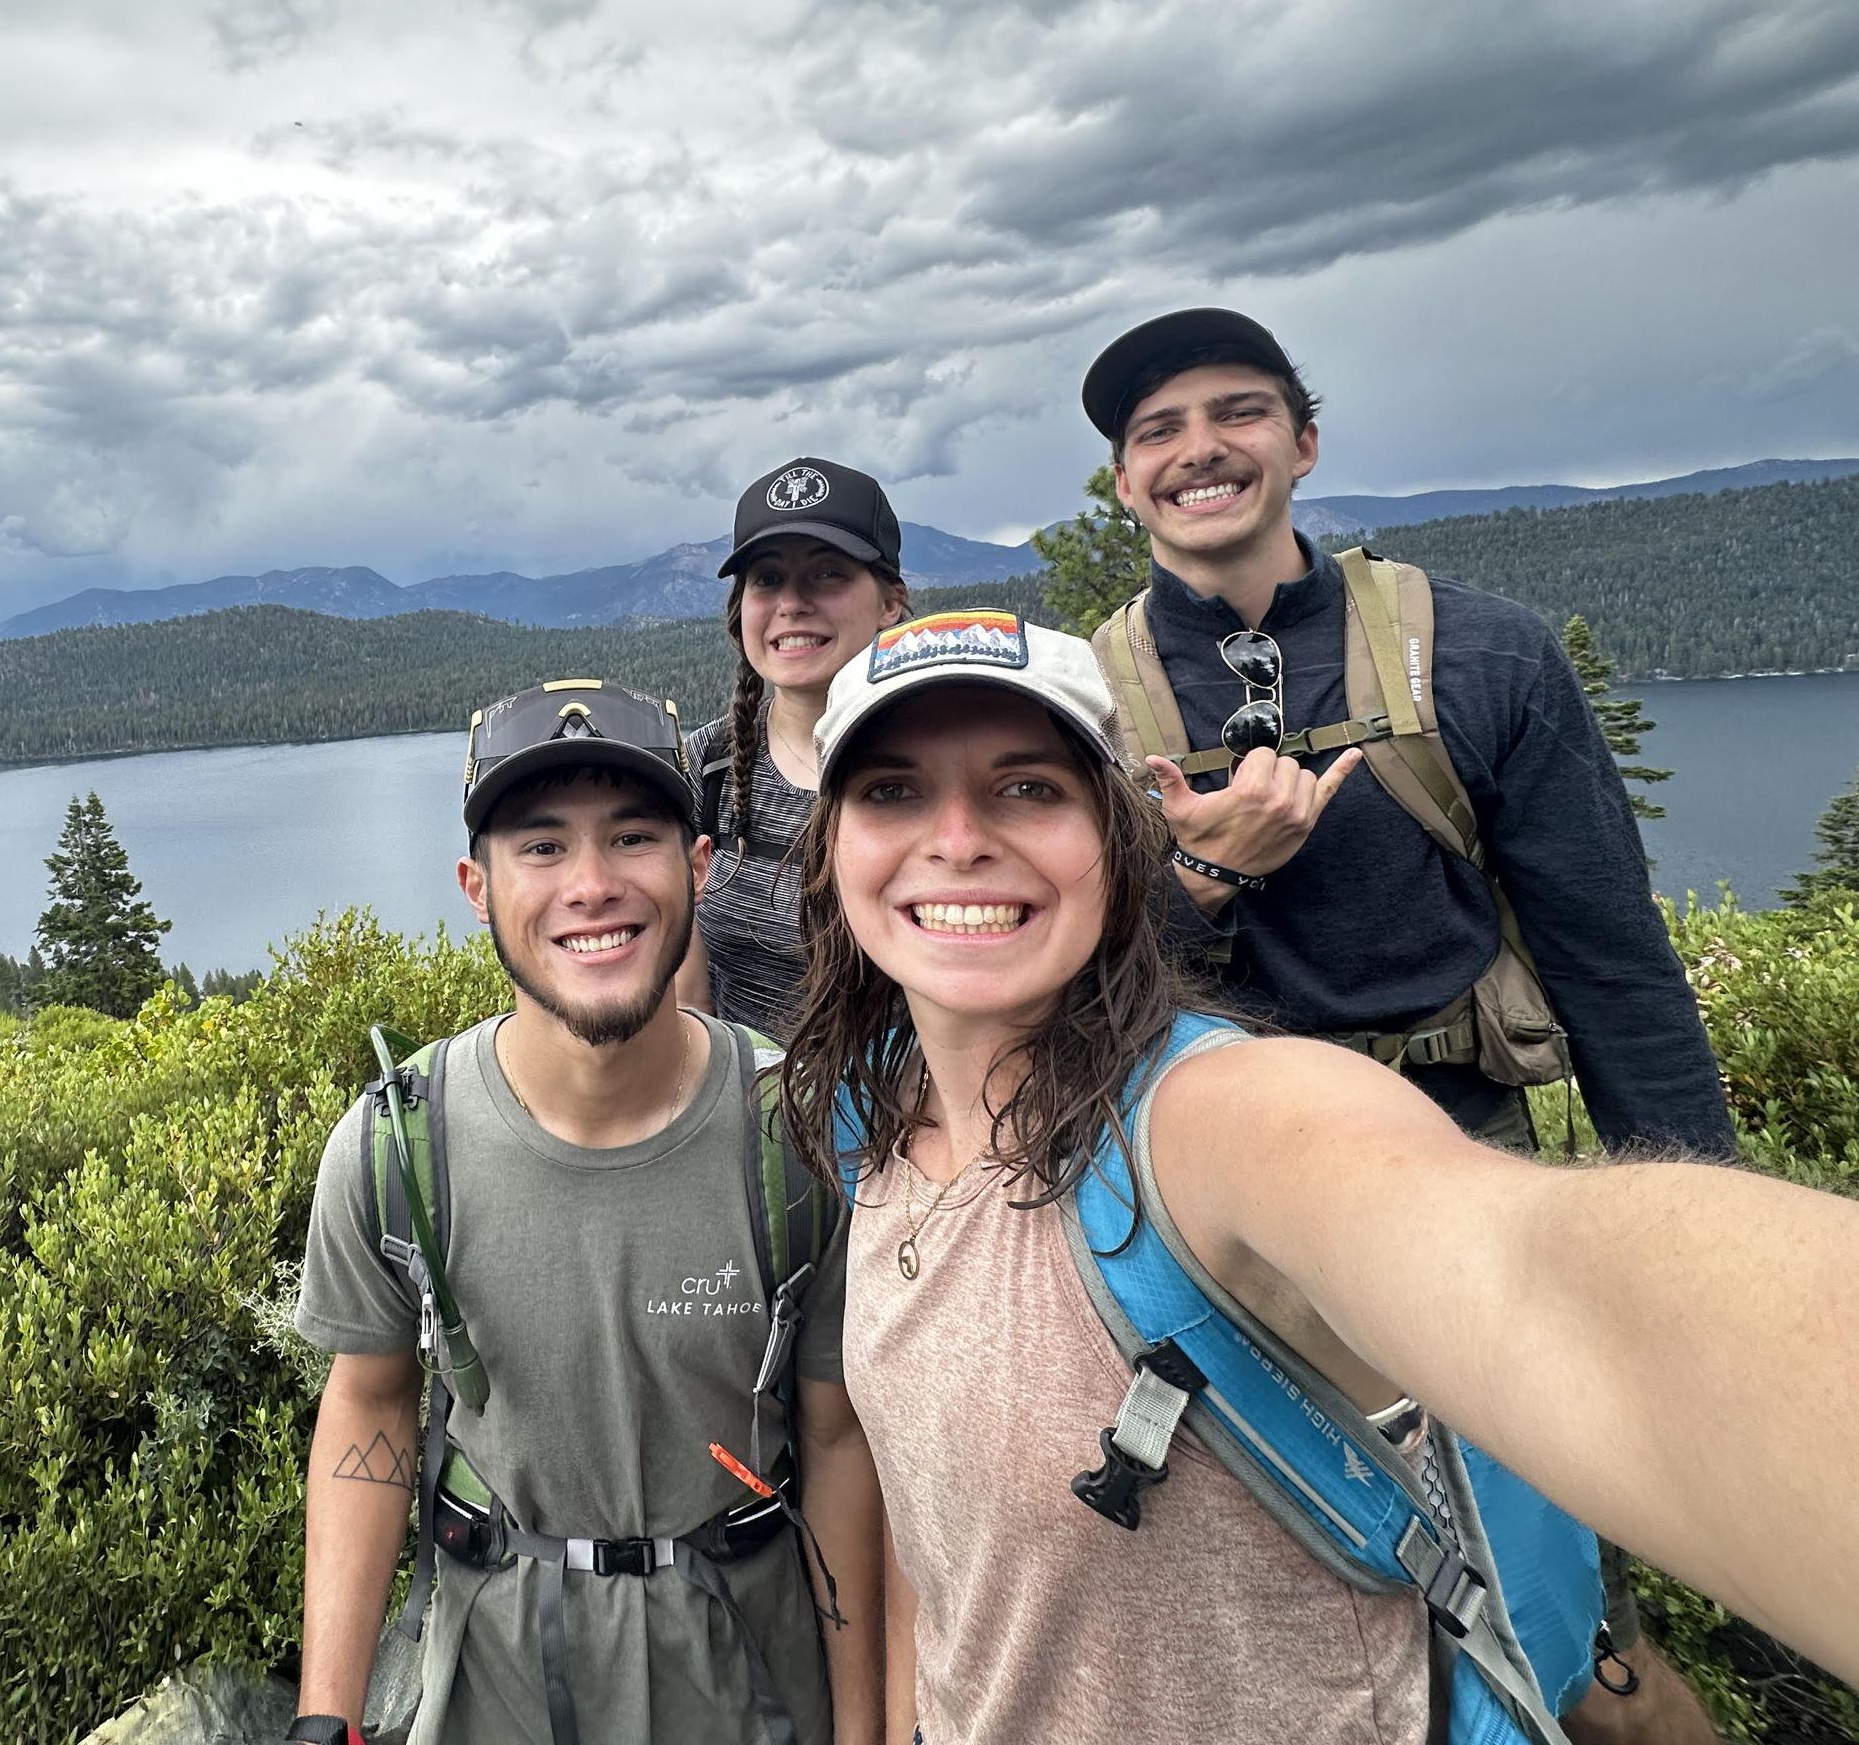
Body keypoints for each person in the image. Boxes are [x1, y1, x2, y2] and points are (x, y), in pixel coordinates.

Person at [779, 613, 1859, 1745]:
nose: (955, 837)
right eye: (893, 791)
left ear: (1116, 835)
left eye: (1027, 788)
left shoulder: (1216, 1124)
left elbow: (1542, 1278)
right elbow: (941, 1541)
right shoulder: (877, 1122)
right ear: (834, 848)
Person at [1077, 307, 1735, 1731]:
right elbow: (1071, 993)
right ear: (1123, 485)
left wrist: (1701, 1243)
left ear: (1301, 443)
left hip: (1459, 1164)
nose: (1200, 449)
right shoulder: (1083, 707)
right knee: (1280, 1575)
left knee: (1548, 1589)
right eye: (1155, 433)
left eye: (1237, 412)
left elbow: (1609, 961)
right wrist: (1202, 875)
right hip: (1211, 1217)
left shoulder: (1476, 657)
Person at [289, 681, 882, 1745]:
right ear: (477, 886)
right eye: (542, 845)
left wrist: (863, 1725)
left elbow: (840, 1439)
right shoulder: (394, 1147)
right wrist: (325, 1714)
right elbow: (370, 1402)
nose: (594, 885)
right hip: (493, 1676)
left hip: (750, 1668)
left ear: (696, 869)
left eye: (634, 835)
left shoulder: (795, 1133)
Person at [679, 456, 909, 1039]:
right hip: (755, 1110)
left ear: (890, 602)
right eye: (768, 578)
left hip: (923, 1113)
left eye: (828, 573)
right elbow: (684, 970)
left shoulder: (941, 760)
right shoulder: (706, 765)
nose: (792, 602)